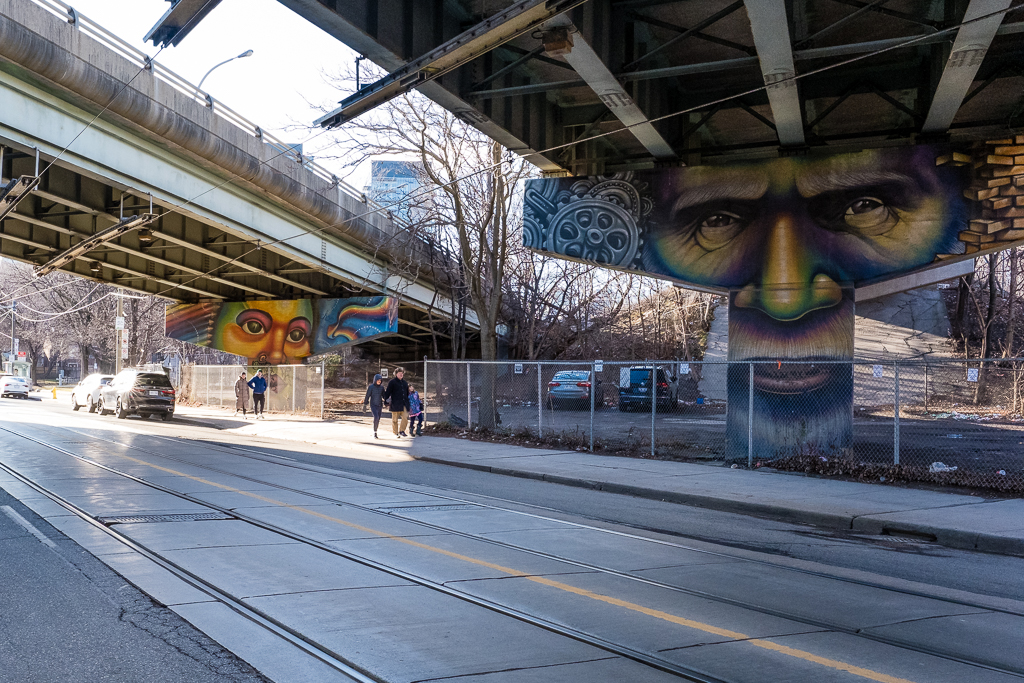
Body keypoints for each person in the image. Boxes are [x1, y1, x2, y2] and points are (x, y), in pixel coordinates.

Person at [382, 367, 409, 437]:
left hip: (404, 404)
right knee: (395, 420)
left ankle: (402, 430)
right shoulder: (392, 382)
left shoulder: (405, 383)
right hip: (395, 404)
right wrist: (385, 400)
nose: (401, 375)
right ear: (396, 374)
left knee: (405, 418)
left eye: (402, 373)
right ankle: (395, 433)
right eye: (399, 373)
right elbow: (388, 392)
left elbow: (407, 394)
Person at [363, 373, 385, 439]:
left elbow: (384, 396)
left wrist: (389, 400)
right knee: (376, 417)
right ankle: (374, 432)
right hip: (373, 405)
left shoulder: (382, 387)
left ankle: (376, 430)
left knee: (378, 418)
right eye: (378, 380)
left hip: (379, 405)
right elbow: (367, 396)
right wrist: (365, 404)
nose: (379, 381)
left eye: (380, 380)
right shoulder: (371, 387)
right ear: (375, 380)